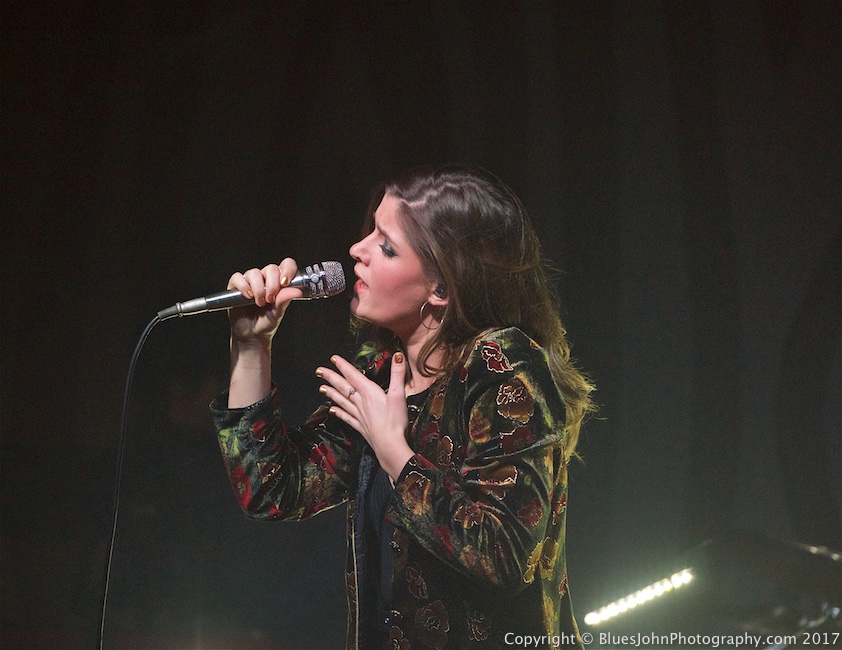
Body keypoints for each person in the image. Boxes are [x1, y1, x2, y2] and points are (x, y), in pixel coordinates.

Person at [210, 164, 595, 649]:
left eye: (387, 246)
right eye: (371, 231)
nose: (357, 250)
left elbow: (504, 555)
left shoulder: (501, 364)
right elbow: (273, 491)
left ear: (441, 288)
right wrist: (251, 346)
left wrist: (395, 453)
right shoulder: (382, 372)